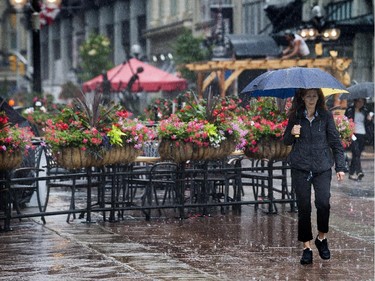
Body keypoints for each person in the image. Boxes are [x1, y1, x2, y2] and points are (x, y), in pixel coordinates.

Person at [283, 88, 346, 265]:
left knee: (323, 203)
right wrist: (293, 132)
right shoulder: (295, 116)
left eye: (314, 96)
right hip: (300, 166)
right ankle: (307, 247)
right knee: (303, 207)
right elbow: (286, 141)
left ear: (319, 97)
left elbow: (335, 142)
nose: (311, 99)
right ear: (302, 98)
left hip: (322, 167)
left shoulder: (325, 116)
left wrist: (340, 167)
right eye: (308, 96)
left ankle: (321, 238)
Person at [344, 98, 373, 180]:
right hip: (353, 134)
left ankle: (351, 173)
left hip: (362, 134)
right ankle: (359, 171)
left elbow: (368, 124)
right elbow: (345, 121)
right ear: (355, 101)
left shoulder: (365, 110)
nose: (361, 103)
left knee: (357, 154)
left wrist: (369, 119)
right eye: (359, 101)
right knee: (356, 151)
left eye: (362, 102)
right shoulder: (349, 110)